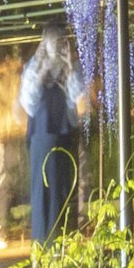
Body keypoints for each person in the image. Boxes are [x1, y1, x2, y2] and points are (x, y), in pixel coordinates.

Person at [19, 26, 83, 244]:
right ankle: (42, 241)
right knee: (41, 191)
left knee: (63, 190)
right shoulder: (33, 67)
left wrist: (69, 71)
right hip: (41, 138)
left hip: (64, 136)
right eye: (55, 41)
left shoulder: (71, 68)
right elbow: (28, 102)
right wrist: (42, 73)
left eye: (62, 42)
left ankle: (61, 241)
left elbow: (78, 106)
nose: (59, 46)